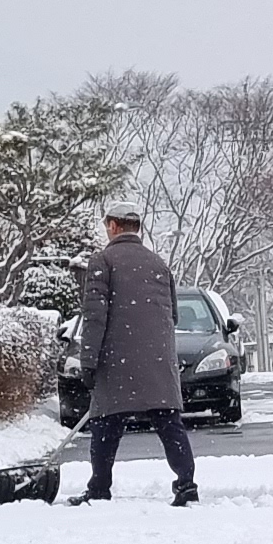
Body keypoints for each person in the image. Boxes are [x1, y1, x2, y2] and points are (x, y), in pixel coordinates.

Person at [72, 201, 199, 507]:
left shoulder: (102, 261)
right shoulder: (159, 264)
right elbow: (172, 315)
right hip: (157, 362)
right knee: (169, 424)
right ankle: (186, 484)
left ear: (113, 226)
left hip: (116, 362)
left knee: (105, 423)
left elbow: (94, 316)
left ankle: (99, 487)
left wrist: (88, 361)